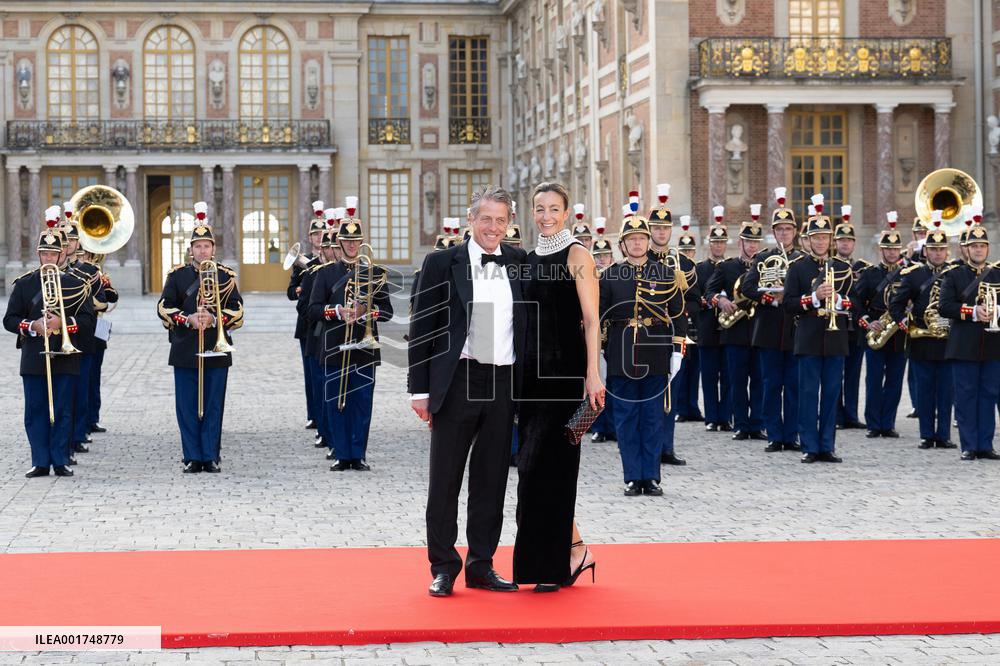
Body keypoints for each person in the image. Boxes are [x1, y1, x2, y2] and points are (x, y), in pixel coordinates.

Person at [408, 186, 527, 598]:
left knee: (492, 480)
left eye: (500, 220)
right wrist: (418, 391)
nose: (493, 227)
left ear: (509, 223)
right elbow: (422, 327)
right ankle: (443, 566)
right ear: (470, 220)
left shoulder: (519, 262)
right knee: (445, 480)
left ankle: (481, 565)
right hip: (457, 379)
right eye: (486, 219)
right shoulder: (442, 262)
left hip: (502, 381)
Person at [514, 181, 604, 592]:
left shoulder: (578, 255)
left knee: (553, 471)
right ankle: (574, 549)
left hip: (566, 378)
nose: (546, 215)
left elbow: (591, 319)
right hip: (530, 381)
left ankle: (559, 563)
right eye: (539, 209)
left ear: (566, 213)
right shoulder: (529, 258)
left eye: (553, 209)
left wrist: (593, 373)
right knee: (530, 472)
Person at [601, 212, 683, 496]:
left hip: (656, 349)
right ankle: (632, 476)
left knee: (652, 416)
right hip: (621, 349)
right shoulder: (611, 274)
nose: (637, 243)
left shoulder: (665, 273)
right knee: (625, 417)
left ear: (649, 242)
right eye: (631, 239)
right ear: (622, 244)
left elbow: (677, 313)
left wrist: (677, 349)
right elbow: (599, 316)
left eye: (641, 238)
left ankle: (651, 475)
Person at [156, 211, 244, 474]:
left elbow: (238, 311)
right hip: (185, 347)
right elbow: (163, 307)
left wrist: (215, 319)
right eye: (198, 246)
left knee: (214, 404)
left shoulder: (226, 276)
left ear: (213, 249)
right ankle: (192, 456)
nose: (202, 251)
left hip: (216, 347)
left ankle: (210, 455)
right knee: (187, 405)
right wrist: (188, 319)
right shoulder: (177, 275)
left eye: (206, 246)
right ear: (191, 250)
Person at [4, 228, 96, 478]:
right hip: (34, 355)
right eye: (43, 253)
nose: (47, 259)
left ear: (61, 255)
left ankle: (61, 459)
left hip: (66, 355)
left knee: (64, 409)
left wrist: (62, 325)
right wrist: (32, 326)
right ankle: (40, 461)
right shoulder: (25, 284)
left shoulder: (76, 284)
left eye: (52, 254)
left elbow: (88, 322)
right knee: (35, 410)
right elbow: (10, 320)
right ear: (38, 254)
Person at [309, 208, 394, 472]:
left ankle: (358, 454)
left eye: (356, 241)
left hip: (364, 346)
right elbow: (313, 310)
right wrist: (336, 312)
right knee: (336, 401)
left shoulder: (375, 272)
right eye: (347, 241)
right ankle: (340, 453)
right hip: (334, 344)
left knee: (361, 403)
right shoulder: (325, 274)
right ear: (339, 243)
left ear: (362, 242)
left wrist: (366, 311)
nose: (352, 245)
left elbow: (387, 311)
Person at [783, 208, 853, 463]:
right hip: (809, 335)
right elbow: (789, 304)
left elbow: (855, 302)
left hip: (836, 339)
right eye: (816, 237)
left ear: (831, 241)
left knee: (832, 394)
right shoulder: (798, 268)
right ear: (808, 240)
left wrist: (837, 300)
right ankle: (809, 446)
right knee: (809, 393)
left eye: (825, 237)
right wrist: (814, 298)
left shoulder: (843, 267)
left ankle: (827, 445)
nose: (821, 242)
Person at [888, 216, 956, 450]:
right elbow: (896, 305)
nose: (937, 253)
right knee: (925, 391)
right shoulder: (914, 274)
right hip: (922, 341)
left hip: (947, 341)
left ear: (948, 251)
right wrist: (906, 325)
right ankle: (927, 435)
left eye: (941, 249)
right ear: (925, 250)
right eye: (933, 249)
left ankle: (944, 434)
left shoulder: (955, 274)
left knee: (946, 392)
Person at [741, 191, 801, 453]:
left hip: (796, 330)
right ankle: (775, 434)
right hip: (768, 329)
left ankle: (792, 434)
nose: (784, 233)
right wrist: (768, 297)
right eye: (780, 229)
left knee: (794, 385)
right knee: (771, 384)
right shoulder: (763, 258)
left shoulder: (803, 260)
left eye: (788, 229)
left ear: (795, 232)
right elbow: (747, 287)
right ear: (774, 232)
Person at [938, 222, 1000, 461]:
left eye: (982, 246)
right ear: (965, 249)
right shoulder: (953, 275)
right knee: (965, 395)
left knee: (988, 394)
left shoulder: (997, 274)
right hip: (964, 345)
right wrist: (973, 312)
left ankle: (985, 444)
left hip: (993, 345)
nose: (978, 250)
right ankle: (969, 445)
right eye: (973, 246)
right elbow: (945, 306)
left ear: (987, 248)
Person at [704, 210, 765, 441]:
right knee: (736, 381)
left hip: (760, 331)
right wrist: (720, 300)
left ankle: (757, 424)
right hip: (735, 331)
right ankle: (740, 424)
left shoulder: (765, 265)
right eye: (748, 241)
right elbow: (709, 290)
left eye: (755, 242)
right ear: (741, 242)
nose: (752, 246)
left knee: (759, 380)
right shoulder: (727, 267)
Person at [855, 213, 907, 439]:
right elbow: (856, 301)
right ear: (881, 250)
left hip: (899, 332)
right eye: (888, 249)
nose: (892, 253)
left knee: (895, 380)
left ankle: (888, 423)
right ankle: (873, 424)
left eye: (895, 249)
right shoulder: (870, 274)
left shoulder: (908, 274)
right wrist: (867, 320)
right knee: (874, 379)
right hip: (877, 329)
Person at [301, 218, 339, 456]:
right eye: (328, 247)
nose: (331, 251)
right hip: (318, 335)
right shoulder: (315, 272)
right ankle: (326, 431)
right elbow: (305, 307)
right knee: (321, 385)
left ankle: (340, 439)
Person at [288, 201, 325, 431]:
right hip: (307, 324)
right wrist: (300, 289)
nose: (320, 237)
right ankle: (313, 414)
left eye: (323, 233)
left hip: (326, 320)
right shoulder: (302, 264)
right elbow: (291, 292)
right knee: (310, 372)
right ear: (310, 238)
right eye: (316, 234)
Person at [833, 215, 868, 430]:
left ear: (854, 243)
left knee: (853, 373)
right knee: (835, 373)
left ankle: (851, 414)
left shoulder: (863, 269)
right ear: (835, 243)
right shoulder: (829, 266)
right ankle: (836, 415)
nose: (845, 243)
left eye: (849, 240)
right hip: (836, 327)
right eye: (841, 240)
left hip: (855, 327)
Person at [697, 222, 732, 432]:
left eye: (721, 242)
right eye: (715, 242)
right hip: (707, 328)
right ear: (709, 243)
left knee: (728, 376)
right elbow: (694, 297)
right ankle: (711, 416)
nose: (718, 246)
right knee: (709, 376)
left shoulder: (730, 267)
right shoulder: (701, 269)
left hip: (729, 329)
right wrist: (710, 301)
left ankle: (725, 416)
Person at [673, 218, 702, 424]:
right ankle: (681, 407)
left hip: (691, 327)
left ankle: (692, 406)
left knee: (693, 369)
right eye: (684, 250)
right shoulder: (675, 266)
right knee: (679, 369)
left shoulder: (694, 269)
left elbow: (696, 300)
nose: (687, 253)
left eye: (690, 250)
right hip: (675, 327)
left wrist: (684, 310)